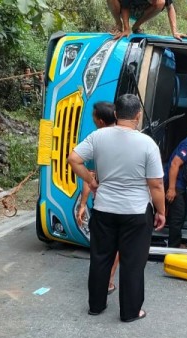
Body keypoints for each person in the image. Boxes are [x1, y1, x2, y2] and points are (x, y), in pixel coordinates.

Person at [68, 94, 166, 322]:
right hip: (136, 212)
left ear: (115, 114)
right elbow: (156, 184)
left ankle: (96, 305)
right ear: (138, 115)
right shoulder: (147, 143)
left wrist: (91, 182)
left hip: (104, 209)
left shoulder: (98, 137)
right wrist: (161, 211)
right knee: (133, 262)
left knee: (101, 257)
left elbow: (73, 159)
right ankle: (131, 312)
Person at [77, 101, 120, 294]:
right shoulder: (134, 139)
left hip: (103, 205)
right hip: (126, 206)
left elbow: (87, 174)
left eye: (93, 117)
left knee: (101, 247)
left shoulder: (96, 139)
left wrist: (83, 203)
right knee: (117, 245)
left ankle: (101, 283)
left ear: (100, 121)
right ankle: (109, 280)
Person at [108, 0, 187, 41]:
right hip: (127, 8)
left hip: (143, 12)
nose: (154, 2)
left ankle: (136, 26)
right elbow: (124, 6)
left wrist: (175, 32)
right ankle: (118, 25)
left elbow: (170, 8)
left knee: (161, 2)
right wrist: (126, 29)